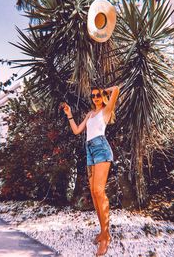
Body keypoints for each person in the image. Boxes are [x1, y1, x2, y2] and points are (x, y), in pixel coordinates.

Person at [62, 85, 119, 256]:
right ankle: (102, 231)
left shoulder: (106, 111)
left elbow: (116, 89)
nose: (95, 98)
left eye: (98, 95)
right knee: (94, 194)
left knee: (98, 191)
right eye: (93, 96)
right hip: (90, 151)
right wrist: (69, 115)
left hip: (101, 149)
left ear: (102, 96)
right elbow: (77, 130)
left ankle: (106, 236)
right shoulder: (90, 114)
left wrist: (104, 91)